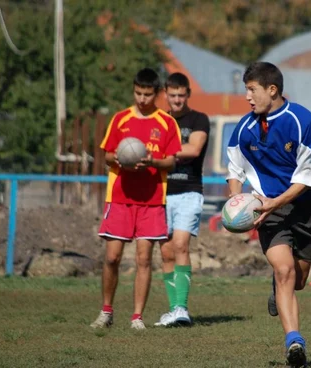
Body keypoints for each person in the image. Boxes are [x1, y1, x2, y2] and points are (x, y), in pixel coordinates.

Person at [226, 61, 311, 367]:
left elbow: (308, 181)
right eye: (246, 90)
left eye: (252, 90)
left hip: (304, 208)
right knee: (284, 271)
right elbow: (234, 171)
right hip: (268, 211)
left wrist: (275, 202)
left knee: (298, 280)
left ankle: (280, 289)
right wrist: (238, 205)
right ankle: (294, 343)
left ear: (272, 90)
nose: (247, 97)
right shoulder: (243, 129)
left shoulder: (305, 123)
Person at [90, 68, 182, 330]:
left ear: (157, 94)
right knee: (112, 258)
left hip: (152, 200)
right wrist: (119, 159)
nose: (142, 99)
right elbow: (107, 154)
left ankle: (137, 317)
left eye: (147, 94)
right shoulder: (120, 119)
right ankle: (106, 311)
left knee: (143, 259)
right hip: (119, 197)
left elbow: (171, 161)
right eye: (138, 93)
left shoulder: (166, 123)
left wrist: (152, 161)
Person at [155, 72, 210, 327]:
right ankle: (172, 310)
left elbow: (194, 149)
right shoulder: (159, 120)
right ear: (165, 94)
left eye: (181, 95)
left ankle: (182, 308)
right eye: (172, 95)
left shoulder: (199, 119)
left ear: (188, 94)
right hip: (161, 192)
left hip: (189, 190)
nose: (177, 100)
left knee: (180, 245)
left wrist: (158, 153)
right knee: (166, 252)